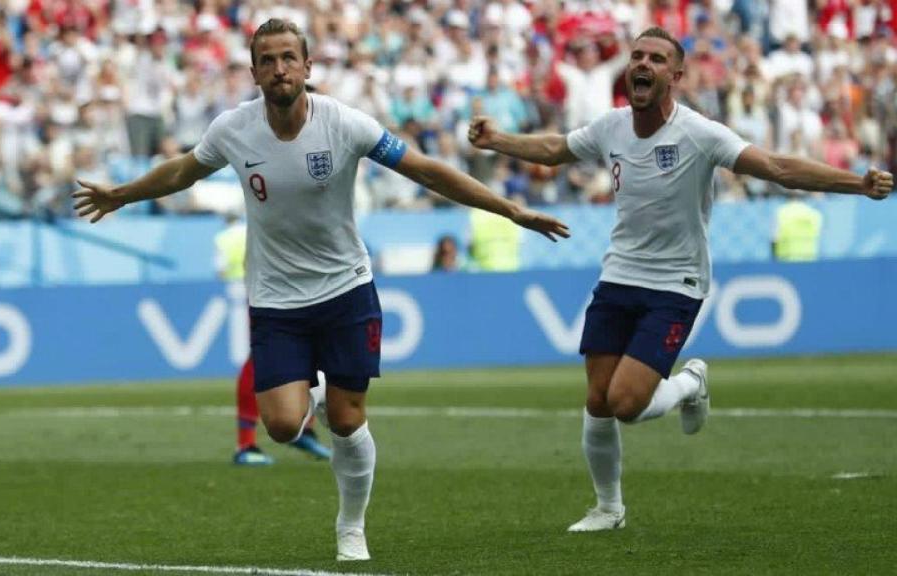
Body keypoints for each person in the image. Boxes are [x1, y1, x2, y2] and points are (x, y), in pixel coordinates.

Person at [72, 18, 570, 561]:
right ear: (254, 71)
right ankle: (312, 399)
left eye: (289, 57)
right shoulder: (233, 130)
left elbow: (427, 172)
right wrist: (121, 194)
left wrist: (511, 208)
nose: (279, 68)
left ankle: (350, 527)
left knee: (349, 418)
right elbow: (181, 173)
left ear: (308, 67)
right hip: (276, 299)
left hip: (346, 290)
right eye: (268, 60)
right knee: (283, 426)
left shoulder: (345, 124)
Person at [468, 26, 893, 533]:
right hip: (618, 275)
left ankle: (691, 382)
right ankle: (608, 509)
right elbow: (557, 148)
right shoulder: (611, 126)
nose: (642, 64)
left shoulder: (699, 133)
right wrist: (497, 141)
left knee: (626, 404)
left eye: (656, 58)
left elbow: (777, 167)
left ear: (676, 75)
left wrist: (858, 185)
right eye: (636, 56)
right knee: (597, 401)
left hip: (676, 283)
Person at [215, 213, 331, 465]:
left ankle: (303, 426)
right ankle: (245, 445)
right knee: (260, 358)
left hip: (309, 287)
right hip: (269, 292)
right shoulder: (269, 205)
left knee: (315, 354)